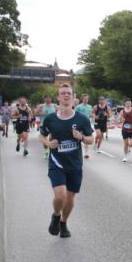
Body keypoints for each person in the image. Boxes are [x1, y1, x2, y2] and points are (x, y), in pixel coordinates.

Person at [39, 83, 94, 239]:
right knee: (60, 195)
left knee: (70, 198)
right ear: (58, 97)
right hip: (57, 163)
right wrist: (48, 143)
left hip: (75, 164)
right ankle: (56, 215)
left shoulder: (81, 119)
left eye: (69, 93)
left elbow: (90, 139)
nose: (66, 95)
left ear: (73, 97)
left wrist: (81, 137)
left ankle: (63, 223)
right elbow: (41, 135)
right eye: (63, 93)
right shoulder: (50, 119)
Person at [75, 93, 93, 159]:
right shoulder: (78, 107)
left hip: (87, 124)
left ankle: (86, 152)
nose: (86, 100)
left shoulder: (90, 106)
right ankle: (77, 152)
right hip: (79, 124)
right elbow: (75, 114)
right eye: (84, 99)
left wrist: (92, 116)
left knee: (86, 138)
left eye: (87, 99)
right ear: (82, 99)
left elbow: (90, 114)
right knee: (77, 138)